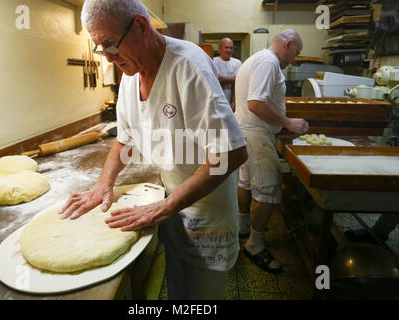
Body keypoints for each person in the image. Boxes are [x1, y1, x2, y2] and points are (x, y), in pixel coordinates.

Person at [59, 0, 248, 300]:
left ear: (141, 26)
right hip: (172, 205)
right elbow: (124, 138)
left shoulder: (187, 66)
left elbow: (231, 152)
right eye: (100, 48)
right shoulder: (130, 74)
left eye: (110, 44)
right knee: (178, 288)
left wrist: (167, 205)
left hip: (207, 217)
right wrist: (102, 185)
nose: (108, 59)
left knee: (201, 296)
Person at [234, 29, 308, 273]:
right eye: (296, 52)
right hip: (255, 134)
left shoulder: (256, 59)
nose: (294, 59)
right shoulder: (269, 62)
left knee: (245, 182)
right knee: (268, 189)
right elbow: (255, 104)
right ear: (287, 44)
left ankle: (243, 227)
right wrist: (287, 123)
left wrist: (278, 124)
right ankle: (255, 245)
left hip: (244, 130)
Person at [213, 38, 242, 111]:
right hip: (216, 102)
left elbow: (238, 84)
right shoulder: (213, 61)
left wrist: (233, 102)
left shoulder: (237, 63)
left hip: (231, 102)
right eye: (226, 47)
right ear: (220, 49)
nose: (229, 50)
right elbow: (217, 80)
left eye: (231, 48)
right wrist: (235, 79)